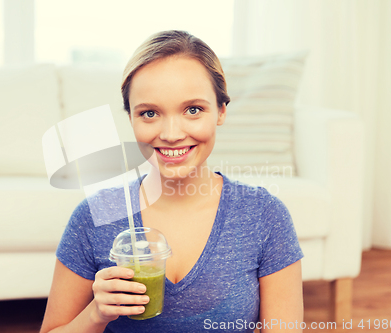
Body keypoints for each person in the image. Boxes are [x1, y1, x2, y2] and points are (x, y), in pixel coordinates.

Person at [40, 30, 304, 333]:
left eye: (193, 110)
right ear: (131, 118)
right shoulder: (95, 215)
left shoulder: (263, 215)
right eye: (149, 113)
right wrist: (95, 315)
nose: (171, 134)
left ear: (220, 110)